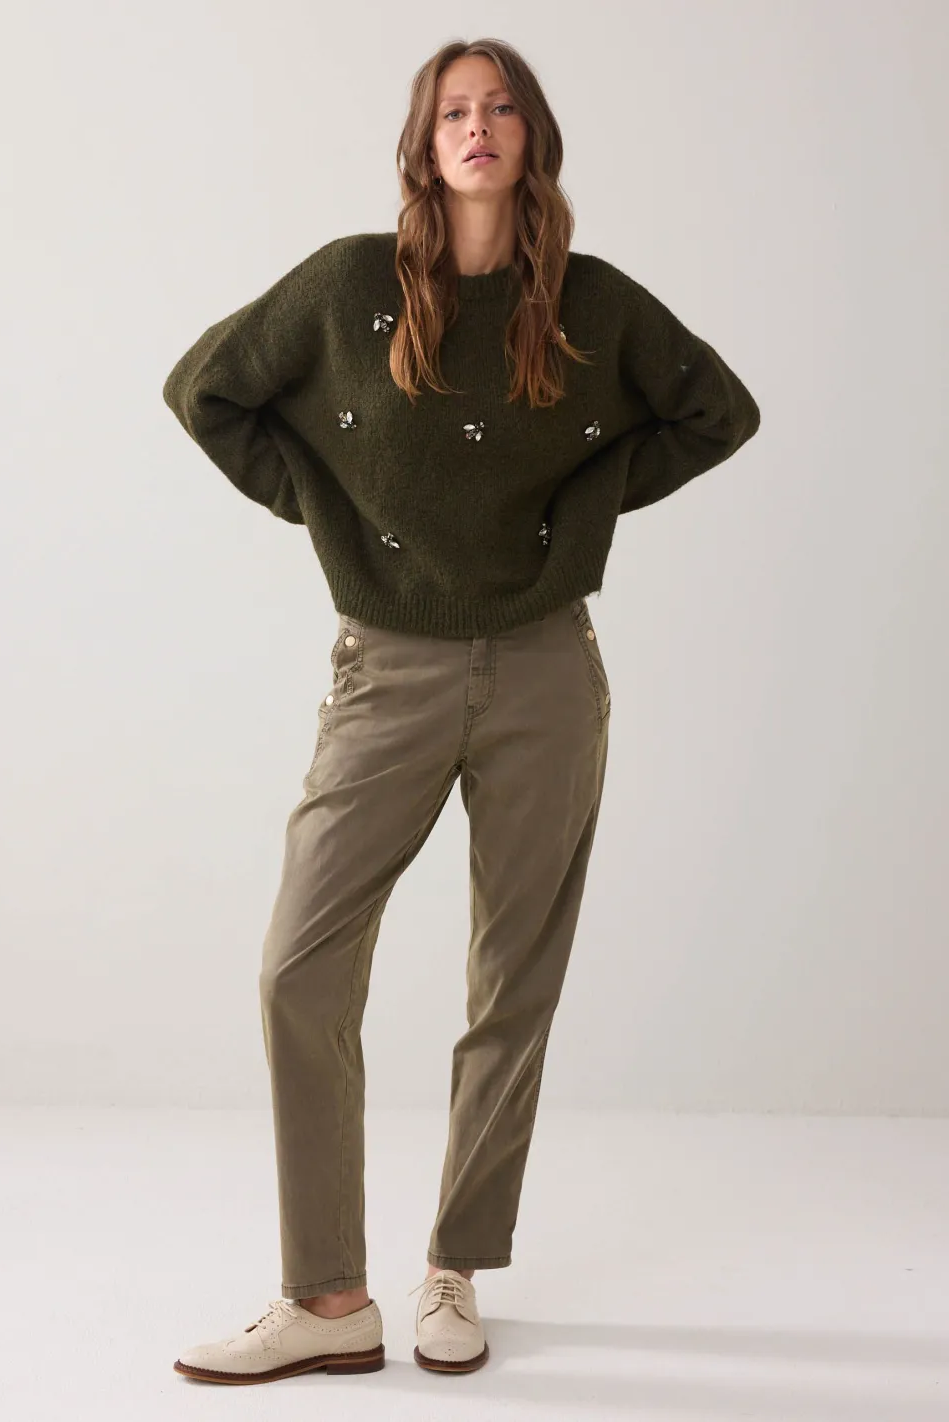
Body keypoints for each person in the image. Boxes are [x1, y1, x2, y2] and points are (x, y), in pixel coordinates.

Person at [162, 37, 761, 1386]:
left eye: (497, 108)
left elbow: (716, 411)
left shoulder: (592, 306)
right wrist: (329, 510)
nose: (475, 127)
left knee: (513, 978)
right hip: (388, 669)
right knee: (300, 965)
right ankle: (327, 1296)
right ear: (424, 146)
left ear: (530, 137)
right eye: (451, 112)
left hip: (547, 672)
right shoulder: (348, 288)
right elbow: (208, 390)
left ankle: (454, 1266)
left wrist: (588, 505)